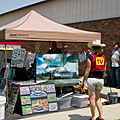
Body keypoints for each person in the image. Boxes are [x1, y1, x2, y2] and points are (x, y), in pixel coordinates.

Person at [79, 39, 106, 120]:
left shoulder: (90, 57)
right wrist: (102, 78)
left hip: (91, 79)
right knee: (98, 98)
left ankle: (93, 117)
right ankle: (101, 116)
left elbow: (88, 70)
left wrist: (83, 81)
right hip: (100, 79)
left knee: (92, 98)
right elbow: (104, 69)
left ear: (93, 48)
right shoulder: (103, 57)